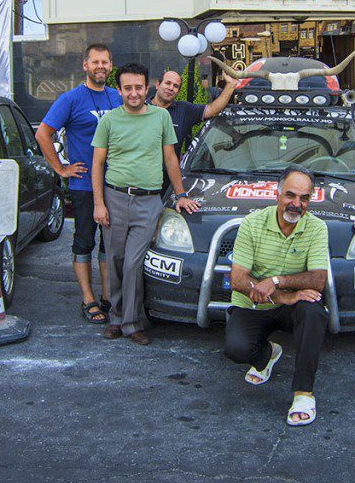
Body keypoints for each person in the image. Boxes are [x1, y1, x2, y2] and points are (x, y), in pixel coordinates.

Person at [91, 62, 199, 345]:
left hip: (148, 201)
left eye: (139, 87)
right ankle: (116, 318)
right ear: (119, 90)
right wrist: (98, 204)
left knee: (133, 264)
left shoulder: (161, 118)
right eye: (128, 88)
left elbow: (171, 159)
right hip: (114, 199)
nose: (134, 93)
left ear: (147, 87)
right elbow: (97, 164)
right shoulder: (109, 121)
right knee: (114, 261)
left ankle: (131, 322)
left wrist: (181, 194)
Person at [223, 166, 330, 427]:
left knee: (313, 310)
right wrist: (284, 296)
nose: (296, 204)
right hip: (254, 304)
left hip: (291, 307)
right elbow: (237, 280)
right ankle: (269, 353)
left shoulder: (317, 227)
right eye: (290, 196)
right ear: (277, 194)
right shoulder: (252, 223)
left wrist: (276, 282)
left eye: (304, 198)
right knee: (236, 349)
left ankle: (304, 394)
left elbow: (318, 280)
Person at [35, 44, 121, 326]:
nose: (100, 66)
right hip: (83, 184)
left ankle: (109, 296)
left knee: (109, 243)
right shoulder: (70, 99)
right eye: (95, 61)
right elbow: (43, 134)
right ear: (85, 65)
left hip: (114, 184)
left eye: (105, 62)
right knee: (84, 241)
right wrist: (60, 167)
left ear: (110, 66)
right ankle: (88, 298)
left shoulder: (117, 96)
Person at [150, 69, 237, 187]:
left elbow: (212, 110)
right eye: (167, 83)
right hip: (141, 181)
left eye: (175, 86)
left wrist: (231, 84)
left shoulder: (184, 110)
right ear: (157, 84)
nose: (171, 88)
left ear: (178, 91)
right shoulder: (142, 108)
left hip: (169, 183)